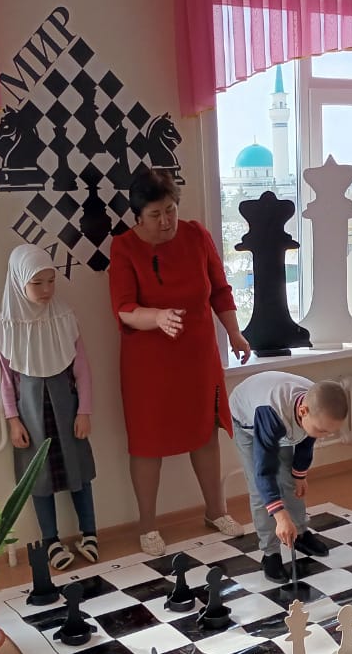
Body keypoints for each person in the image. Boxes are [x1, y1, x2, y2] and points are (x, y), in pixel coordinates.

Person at [108, 167, 252, 556]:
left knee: (204, 432)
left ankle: (216, 511)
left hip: (198, 355)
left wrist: (234, 332)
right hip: (148, 364)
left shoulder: (196, 235)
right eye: (155, 214)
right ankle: (148, 526)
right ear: (138, 216)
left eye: (170, 210)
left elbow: (219, 289)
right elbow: (123, 309)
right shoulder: (124, 247)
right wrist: (157, 317)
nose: (166, 221)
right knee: (147, 442)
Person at [0, 244, 97, 570]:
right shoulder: (7, 327)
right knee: (39, 479)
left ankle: (89, 533)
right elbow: (6, 381)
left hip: (68, 411)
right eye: (37, 283)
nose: (47, 290)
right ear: (19, 282)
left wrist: (84, 411)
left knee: (79, 471)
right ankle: (51, 540)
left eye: (51, 281)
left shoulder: (64, 318)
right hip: (31, 417)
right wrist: (13, 420)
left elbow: (82, 370)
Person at [229, 372, 349, 583]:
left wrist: (299, 474)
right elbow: (264, 472)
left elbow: (307, 439)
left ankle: (299, 534)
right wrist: (281, 517)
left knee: (289, 479)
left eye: (329, 432)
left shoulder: (315, 405)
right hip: (248, 422)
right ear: (303, 411)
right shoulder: (271, 414)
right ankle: (270, 553)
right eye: (322, 430)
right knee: (259, 491)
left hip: (285, 421)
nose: (324, 436)